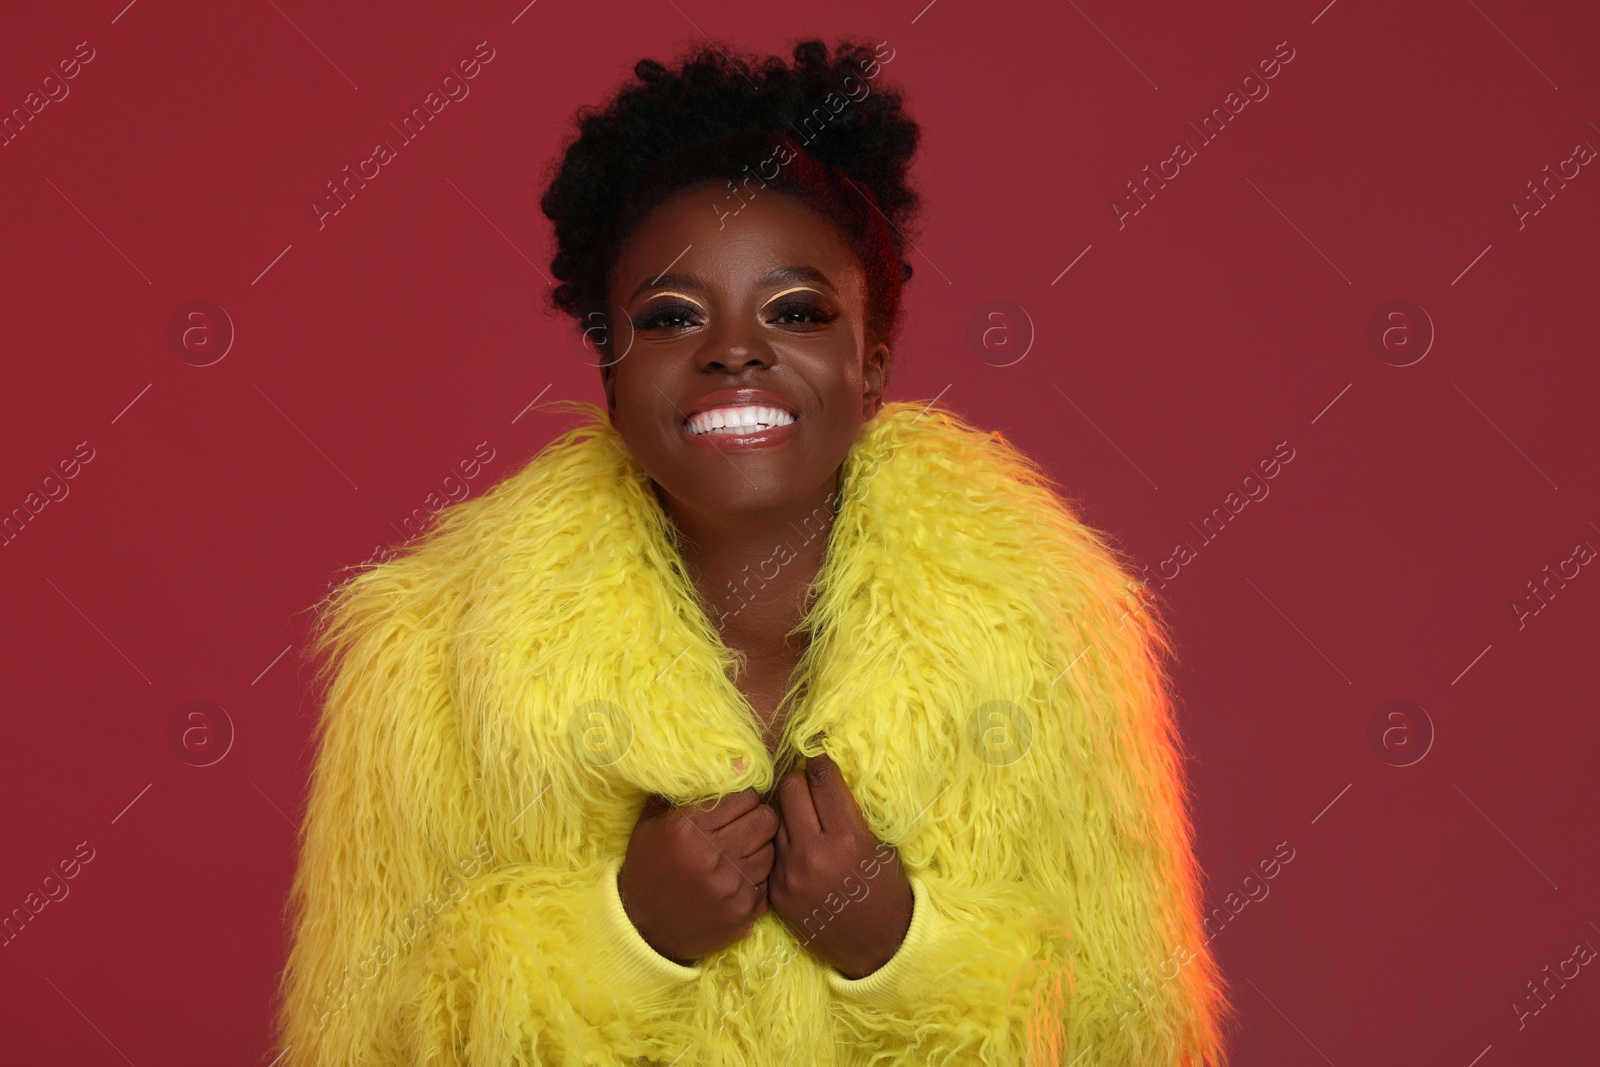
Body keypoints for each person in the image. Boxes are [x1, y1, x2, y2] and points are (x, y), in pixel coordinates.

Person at [273, 37, 1235, 1066]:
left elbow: (1134, 1032)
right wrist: (626, 935)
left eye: (796, 311)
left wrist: (900, 949)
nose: (734, 348)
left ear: (869, 370)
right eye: (673, 316)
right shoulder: (429, 653)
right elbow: (367, 1036)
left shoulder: (1051, 630)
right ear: (609, 366)